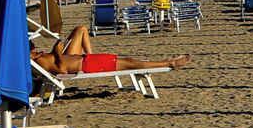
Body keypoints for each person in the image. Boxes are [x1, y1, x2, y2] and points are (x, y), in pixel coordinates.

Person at [33, 25, 193, 76]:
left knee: (130, 62)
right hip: (87, 66)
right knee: (131, 64)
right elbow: (61, 70)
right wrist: (57, 52)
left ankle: (169, 62)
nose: (37, 50)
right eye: (33, 50)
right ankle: (169, 63)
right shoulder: (40, 61)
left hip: (85, 59)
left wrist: (57, 52)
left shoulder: (40, 57)